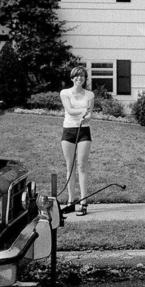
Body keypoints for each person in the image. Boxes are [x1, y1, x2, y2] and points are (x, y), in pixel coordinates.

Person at [60, 66, 95, 216]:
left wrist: (86, 115)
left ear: (85, 78)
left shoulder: (90, 95)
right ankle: (70, 201)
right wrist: (83, 111)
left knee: (82, 166)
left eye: (82, 76)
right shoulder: (65, 93)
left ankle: (83, 202)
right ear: (72, 78)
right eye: (76, 76)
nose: (79, 78)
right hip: (69, 131)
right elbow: (69, 110)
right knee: (70, 167)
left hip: (84, 131)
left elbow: (89, 115)